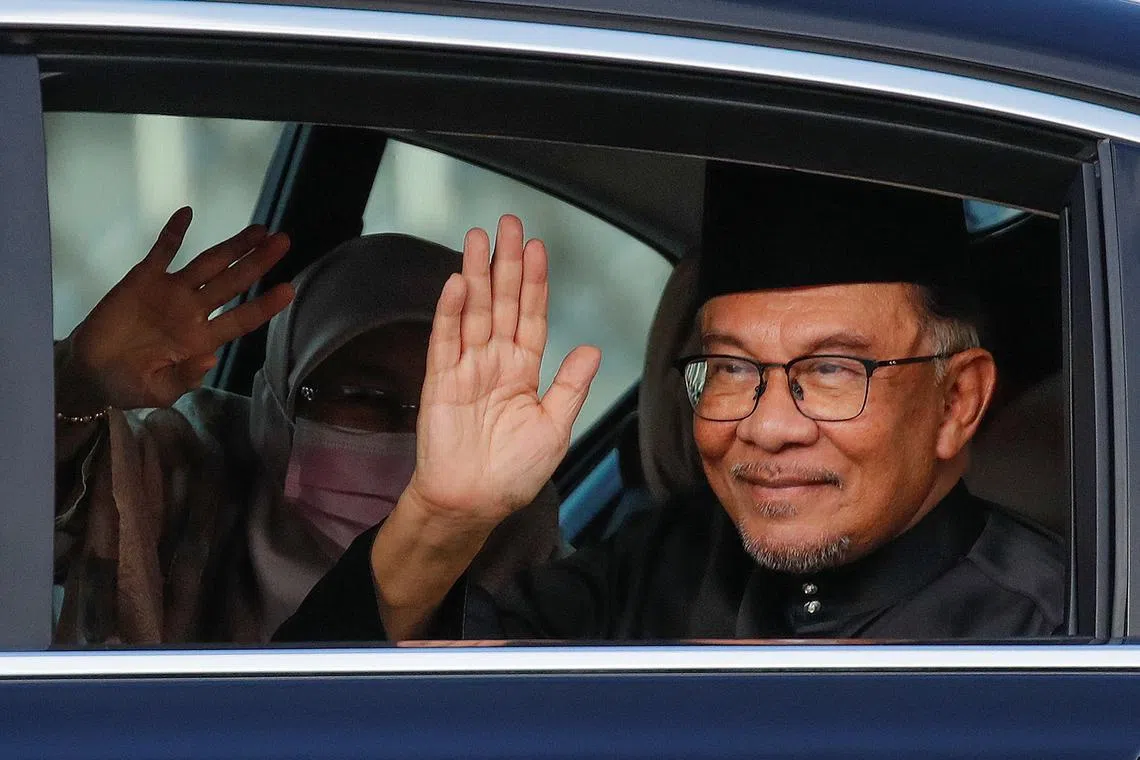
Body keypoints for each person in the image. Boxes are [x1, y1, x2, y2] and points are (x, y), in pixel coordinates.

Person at [276, 164, 1065, 643]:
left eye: (830, 371)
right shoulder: (664, 562)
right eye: (729, 368)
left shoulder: (1056, 637)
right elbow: (316, 719)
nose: (767, 425)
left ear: (958, 400)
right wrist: (442, 518)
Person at [53, 209, 560, 645]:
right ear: (281, 403)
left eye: (439, 404)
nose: (415, 431)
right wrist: (75, 382)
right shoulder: (183, 477)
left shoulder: (539, 567)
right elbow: (33, 523)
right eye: (365, 397)